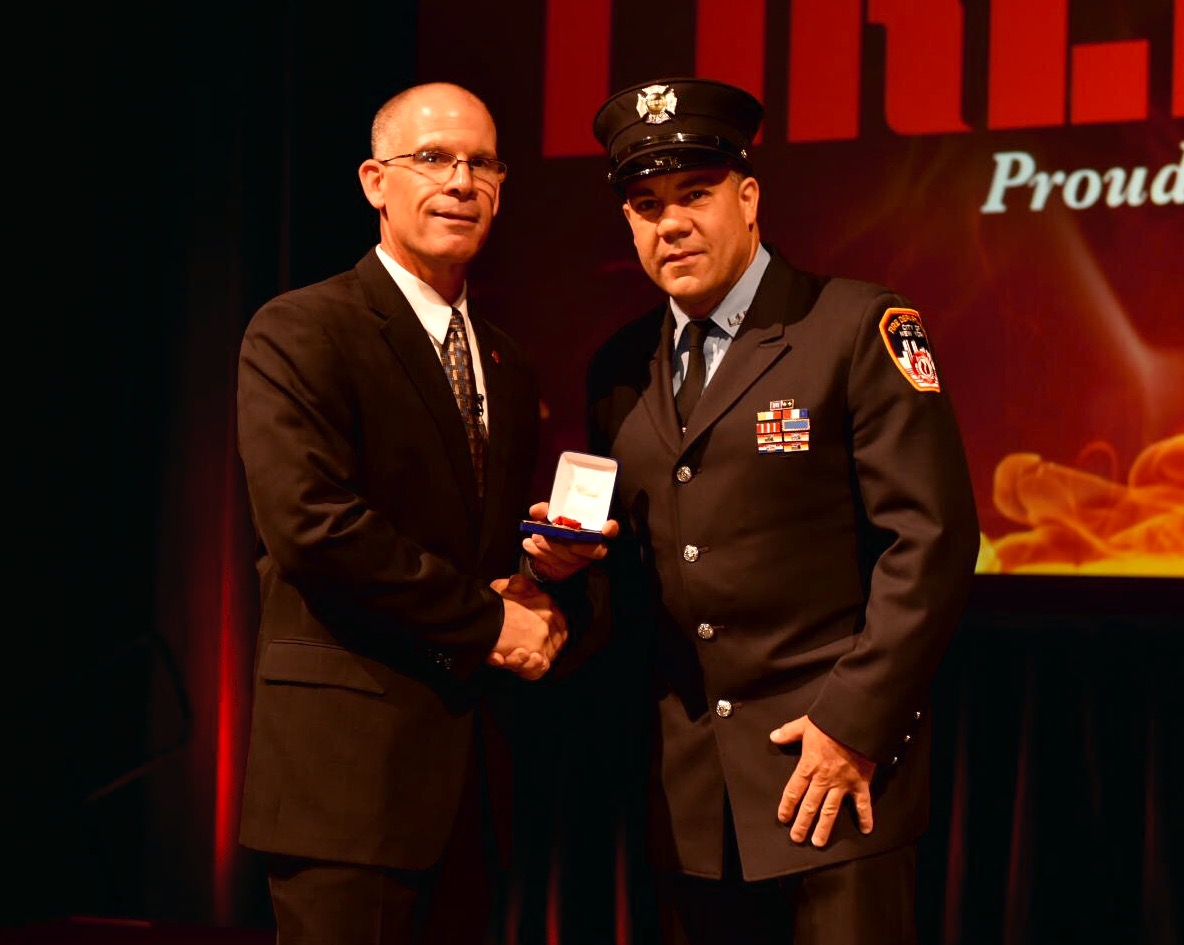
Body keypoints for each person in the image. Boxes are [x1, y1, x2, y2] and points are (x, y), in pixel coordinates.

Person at [556, 76, 980, 944]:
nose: (670, 223)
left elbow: (933, 542)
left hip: (831, 775)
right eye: (645, 205)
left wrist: (854, 725)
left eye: (694, 194)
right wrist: (554, 572)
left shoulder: (857, 325)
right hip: (690, 795)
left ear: (749, 199)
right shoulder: (618, 368)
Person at [236, 81, 584, 945]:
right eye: (432, 158)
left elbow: (479, 550)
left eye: (482, 163)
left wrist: (541, 571)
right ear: (372, 180)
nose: (460, 181)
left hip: (475, 783)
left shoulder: (506, 360)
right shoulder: (301, 329)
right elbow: (314, 527)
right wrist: (488, 621)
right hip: (344, 786)